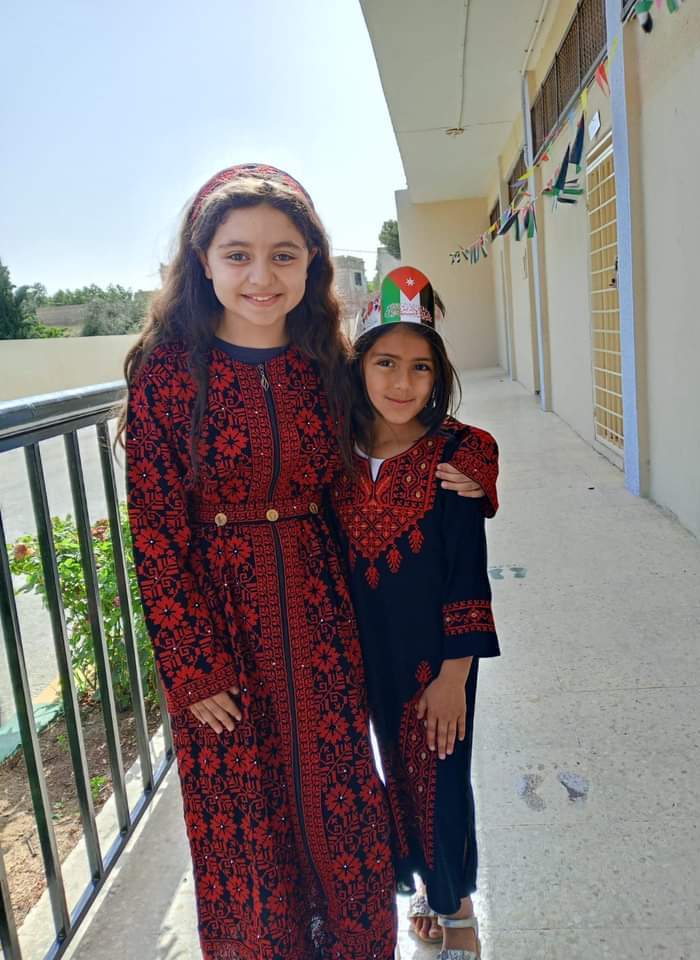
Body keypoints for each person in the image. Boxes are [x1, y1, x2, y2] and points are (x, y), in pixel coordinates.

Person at [119, 165, 485, 959]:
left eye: (284, 254)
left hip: (327, 618)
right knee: (244, 818)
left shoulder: (330, 364)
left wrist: (477, 464)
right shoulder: (168, 375)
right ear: (203, 261)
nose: (262, 275)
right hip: (219, 634)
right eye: (238, 254)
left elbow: (408, 430)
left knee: (339, 799)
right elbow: (154, 531)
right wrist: (192, 665)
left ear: (312, 262)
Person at [332, 266, 501, 960]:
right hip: (365, 655)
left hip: (439, 659)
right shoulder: (335, 455)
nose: (402, 383)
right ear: (359, 366)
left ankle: (458, 905)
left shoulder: (457, 457)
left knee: (443, 780)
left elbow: (467, 572)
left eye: (420, 367)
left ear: (438, 376)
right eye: (386, 363)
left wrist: (455, 677)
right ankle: (428, 890)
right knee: (394, 777)